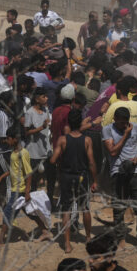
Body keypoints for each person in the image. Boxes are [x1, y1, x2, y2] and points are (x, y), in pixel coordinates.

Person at [50, 108, 98, 253]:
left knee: (67, 210)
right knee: (85, 208)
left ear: (69, 123)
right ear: (80, 123)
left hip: (66, 177)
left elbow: (53, 160)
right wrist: (95, 180)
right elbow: (91, 162)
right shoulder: (87, 140)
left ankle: (67, 244)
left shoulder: (63, 139)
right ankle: (88, 238)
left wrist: (60, 159)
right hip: (82, 177)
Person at [102, 107, 137, 245]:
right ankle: (121, 238)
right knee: (118, 208)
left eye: (126, 122)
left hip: (136, 170)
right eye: (121, 122)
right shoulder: (107, 130)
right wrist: (125, 135)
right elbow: (112, 152)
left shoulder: (135, 127)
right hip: (118, 172)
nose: (124, 125)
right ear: (114, 119)